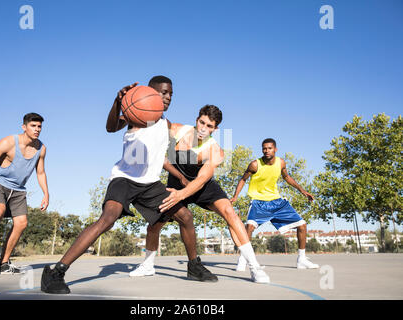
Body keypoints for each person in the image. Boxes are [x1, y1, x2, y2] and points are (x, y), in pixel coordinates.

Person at [41, 76, 217, 295]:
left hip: (150, 184)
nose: (168, 96)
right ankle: (56, 272)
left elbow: (160, 157)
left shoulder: (166, 124)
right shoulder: (138, 114)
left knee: (185, 216)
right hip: (124, 179)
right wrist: (118, 102)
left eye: (171, 93)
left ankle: (194, 267)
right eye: (163, 92)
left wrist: (180, 178)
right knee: (107, 220)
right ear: (149, 93)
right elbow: (111, 127)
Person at [130, 105, 270, 283]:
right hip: (176, 181)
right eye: (201, 122)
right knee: (155, 225)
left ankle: (255, 268)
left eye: (209, 126)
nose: (203, 128)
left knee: (229, 212)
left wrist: (181, 195)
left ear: (215, 129)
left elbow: (202, 179)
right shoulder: (179, 130)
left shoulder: (215, 151)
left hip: (200, 185)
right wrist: (141, 106)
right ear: (196, 119)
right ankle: (148, 265)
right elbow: (156, 119)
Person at [0, 113, 49, 279]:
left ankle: (4, 263)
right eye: (33, 126)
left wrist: (46, 193)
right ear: (24, 127)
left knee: (22, 223)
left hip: (18, 188)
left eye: (39, 126)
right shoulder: (9, 142)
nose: (37, 129)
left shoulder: (41, 148)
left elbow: (40, 172)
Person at [231, 138, 319, 270]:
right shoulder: (255, 164)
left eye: (269, 148)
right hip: (259, 202)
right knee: (249, 227)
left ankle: (301, 259)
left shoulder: (281, 163)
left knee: (302, 225)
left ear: (275, 149)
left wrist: (303, 191)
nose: (266, 151)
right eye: (264, 148)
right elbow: (243, 179)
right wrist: (235, 196)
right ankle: (243, 259)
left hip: (277, 202)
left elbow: (287, 177)